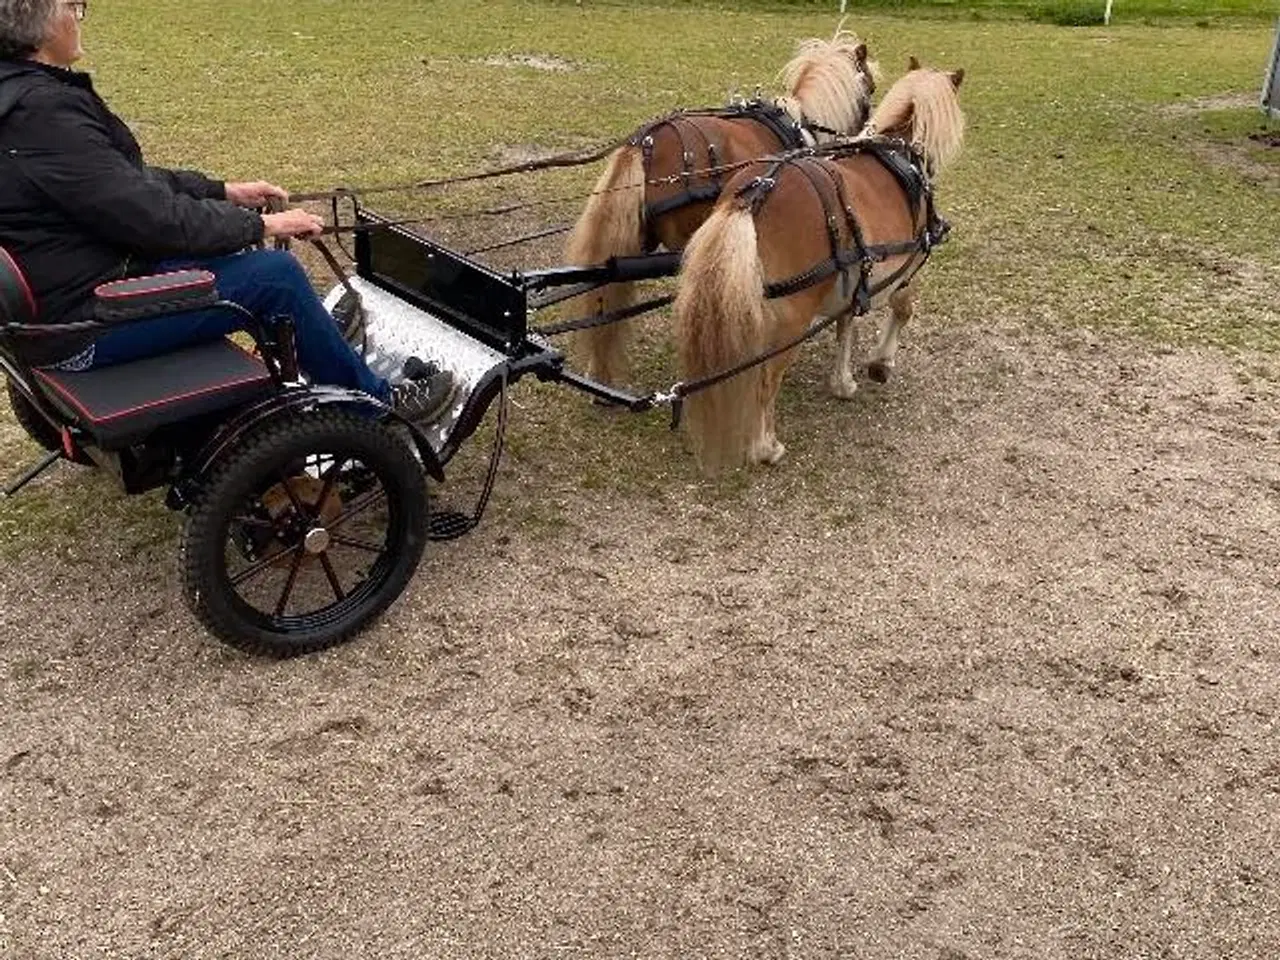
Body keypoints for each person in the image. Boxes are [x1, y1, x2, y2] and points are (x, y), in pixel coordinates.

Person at [0, 0, 456, 422]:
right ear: (37, 23)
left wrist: (222, 192)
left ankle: (310, 331)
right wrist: (260, 223)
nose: (78, 16)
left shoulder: (18, 98)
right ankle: (376, 406)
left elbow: (119, 183)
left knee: (246, 269)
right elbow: (150, 216)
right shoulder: (45, 112)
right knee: (275, 275)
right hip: (85, 324)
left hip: (62, 302)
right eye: (70, 5)